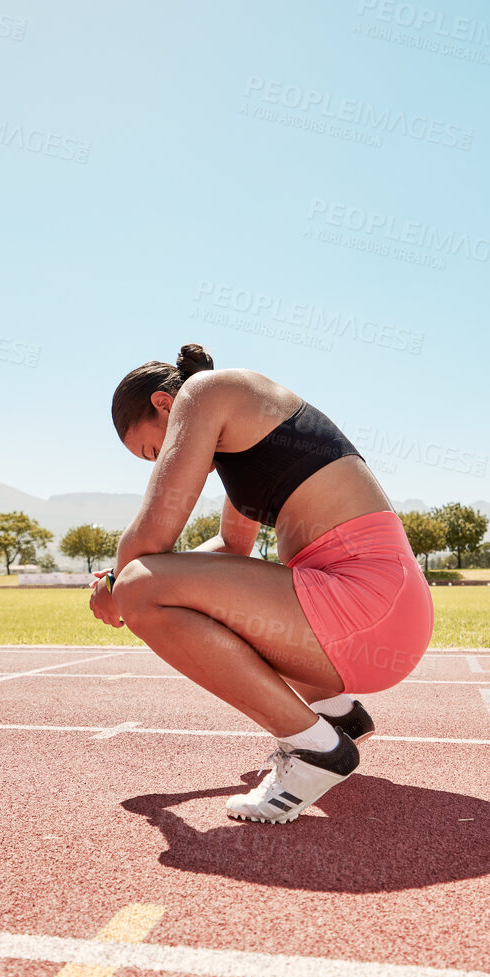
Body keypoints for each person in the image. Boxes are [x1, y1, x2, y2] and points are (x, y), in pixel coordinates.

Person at [91, 344, 435, 824]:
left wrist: (114, 583)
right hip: (379, 613)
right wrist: (131, 580)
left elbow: (152, 536)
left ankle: (316, 750)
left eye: (154, 449)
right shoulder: (241, 429)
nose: (161, 461)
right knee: (148, 585)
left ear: (164, 405)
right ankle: (336, 716)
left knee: (138, 588)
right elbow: (233, 548)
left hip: (365, 605)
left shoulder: (209, 393)